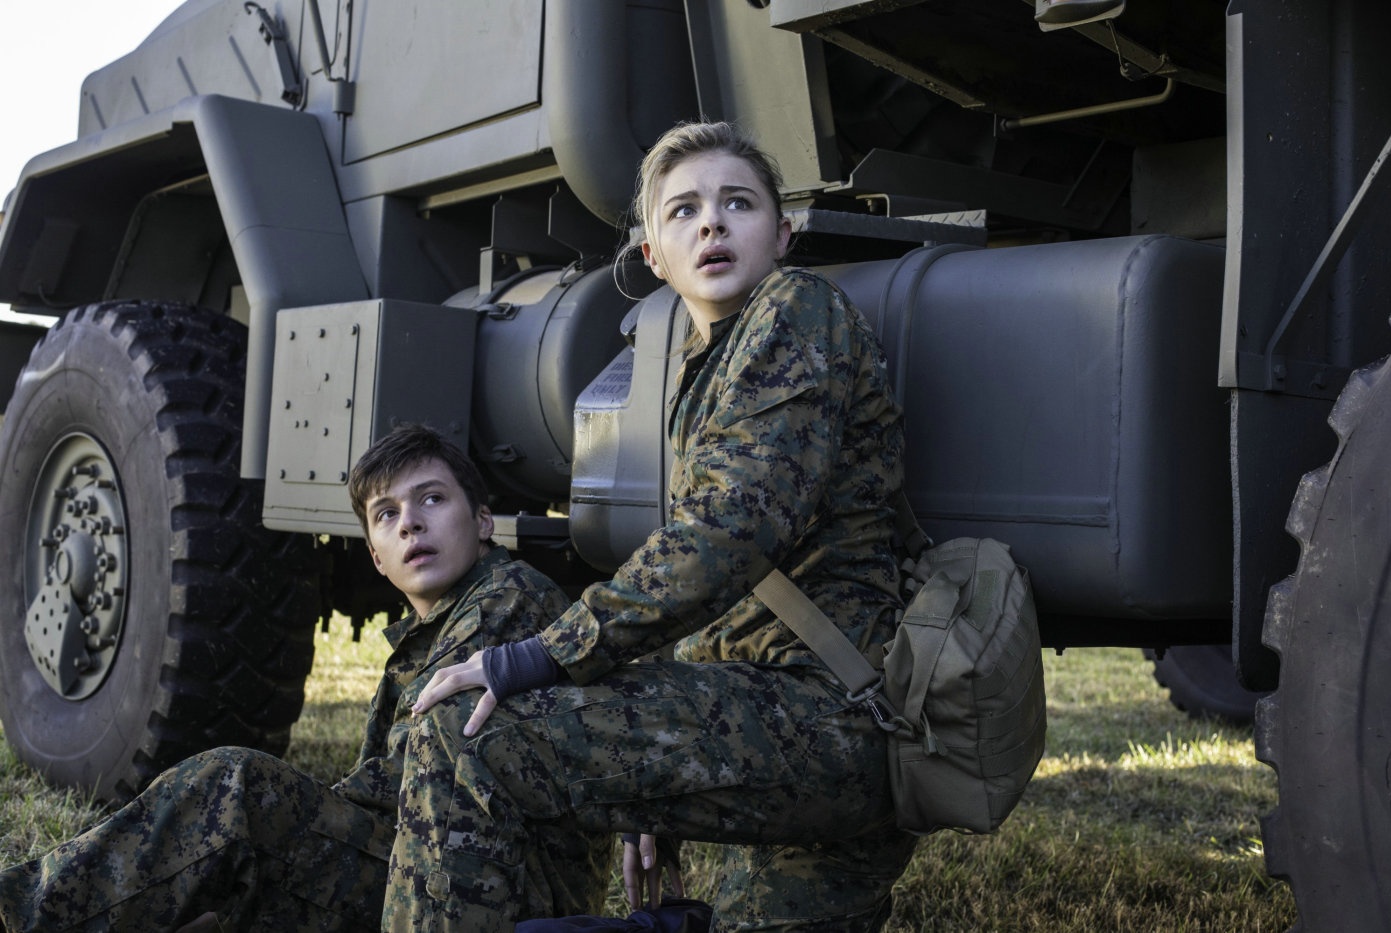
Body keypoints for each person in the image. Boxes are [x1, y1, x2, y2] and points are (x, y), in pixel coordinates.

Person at [385, 121, 917, 932]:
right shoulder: (707, 363)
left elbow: (727, 536)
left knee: (466, 730)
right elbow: (714, 596)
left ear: (782, 234)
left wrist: (542, 654)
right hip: (783, 727)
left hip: (828, 720)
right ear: (653, 257)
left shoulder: (797, 308)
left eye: (738, 203)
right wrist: (648, 788)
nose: (712, 223)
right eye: (683, 211)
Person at [0, 424, 612, 932]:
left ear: (482, 522)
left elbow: (422, 777)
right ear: (376, 556)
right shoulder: (433, 628)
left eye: (431, 499)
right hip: (436, 869)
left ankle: (21, 915)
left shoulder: (507, 596)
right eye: (387, 514)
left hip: (494, 890)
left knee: (237, 789)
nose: (409, 524)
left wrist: (289, 824)